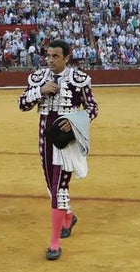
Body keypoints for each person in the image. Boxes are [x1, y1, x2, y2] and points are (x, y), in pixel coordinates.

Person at [18, 39, 98, 260]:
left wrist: (74, 123)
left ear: (66, 58)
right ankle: (68, 217)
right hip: (45, 138)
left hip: (66, 142)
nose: (50, 60)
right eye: (48, 56)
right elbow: (22, 104)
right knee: (51, 186)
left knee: (59, 187)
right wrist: (40, 91)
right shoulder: (38, 78)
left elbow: (92, 108)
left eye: (55, 56)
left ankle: (54, 243)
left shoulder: (78, 80)